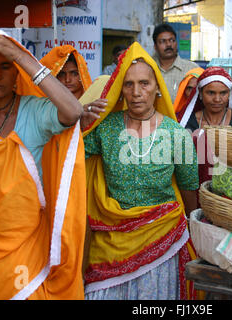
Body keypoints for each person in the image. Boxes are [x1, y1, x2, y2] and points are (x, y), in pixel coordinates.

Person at [0, 30, 87, 300]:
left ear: (17, 72)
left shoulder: (35, 111)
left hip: (24, 248)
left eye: (6, 66)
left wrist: (20, 56)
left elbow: (73, 111)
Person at [80, 42, 200, 300]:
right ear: (119, 89)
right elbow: (71, 159)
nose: (136, 92)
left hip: (162, 240)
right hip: (110, 243)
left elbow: (190, 188)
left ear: (157, 87)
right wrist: (80, 122)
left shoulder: (176, 135)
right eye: (128, 84)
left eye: (144, 83)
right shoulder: (105, 127)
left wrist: (194, 232)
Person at [177, 66, 232, 185]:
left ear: (230, 94)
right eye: (211, 93)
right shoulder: (186, 123)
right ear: (201, 94)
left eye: (223, 93)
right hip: (194, 188)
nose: (217, 99)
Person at [152, 23, 199, 103]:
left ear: (176, 43)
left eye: (172, 40)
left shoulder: (192, 69)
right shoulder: (147, 68)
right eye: (163, 41)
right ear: (155, 47)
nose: (169, 44)